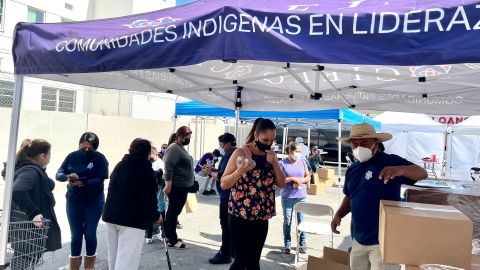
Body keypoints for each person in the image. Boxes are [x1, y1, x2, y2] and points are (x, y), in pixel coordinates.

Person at [330, 123, 427, 270]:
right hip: (358, 238)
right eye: (354, 144)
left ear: (375, 143)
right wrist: (339, 214)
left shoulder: (389, 161)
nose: (358, 148)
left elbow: (422, 173)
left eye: (364, 143)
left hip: (383, 241)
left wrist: (400, 170)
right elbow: (350, 196)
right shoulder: (352, 169)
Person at [221, 118, 286, 270]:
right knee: (241, 260)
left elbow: (281, 183)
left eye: (272, 140)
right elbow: (224, 183)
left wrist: (275, 163)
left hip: (261, 215)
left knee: (254, 261)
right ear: (256, 135)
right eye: (265, 140)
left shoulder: (271, 155)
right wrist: (240, 171)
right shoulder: (241, 152)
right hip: (240, 215)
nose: (268, 143)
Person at [103, 138, 161, 270]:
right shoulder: (146, 170)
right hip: (132, 221)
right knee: (126, 262)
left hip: (111, 216)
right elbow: (151, 198)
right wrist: (156, 216)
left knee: (114, 258)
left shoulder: (120, 165)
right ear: (147, 153)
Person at [56, 132, 109, 270]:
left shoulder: (100, 158)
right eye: (82, 147)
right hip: (74, 201)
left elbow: (100, 179)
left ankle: (89, 267)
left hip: (94, 201)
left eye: (89, 148)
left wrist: (83, 183)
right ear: (79, 145)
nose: (85, 150)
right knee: (76, 235)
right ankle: (74, 266)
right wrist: (68, 176)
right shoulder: (72, 156)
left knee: (90, 233)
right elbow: (59, 174)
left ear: (95, 148)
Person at [11, 139, 61, 269]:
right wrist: (34, 212)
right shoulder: (30, 171)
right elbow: (18, 190)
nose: (50, 158)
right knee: (24, 262)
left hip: (25, 228)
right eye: (49, 155)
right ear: (42, 156)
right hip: (32, 229)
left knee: (21, 262)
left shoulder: (26, 168)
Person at [164, 126, 194, 249]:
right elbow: (169, 167)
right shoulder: (174, 148)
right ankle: (171, 239)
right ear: (181, 137)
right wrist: (168, 185)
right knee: (173, 212)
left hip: (182, 186)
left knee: (174, 212)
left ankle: (170, 235)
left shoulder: (180, 148)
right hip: (176, 186)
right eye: (188, 138)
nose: (189, 140)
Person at [209, 133, 237, 264]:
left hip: (227, 196)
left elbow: (222, 175)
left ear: (228, 144)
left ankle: (224, 253)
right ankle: (232, 250)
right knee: (231, 226)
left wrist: (210, 172)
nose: (220, 148)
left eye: (221, 145)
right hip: (231, 196)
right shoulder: (235, 154)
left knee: (225, 225)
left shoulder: (229, 155)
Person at [280, 142, 311, 254]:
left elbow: (308, 177)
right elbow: (279, 180)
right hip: (287, 196)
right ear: (290, 152)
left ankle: (302, 243)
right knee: (287, 221)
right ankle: (287, 244)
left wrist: (300, 181)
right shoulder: (282, 163)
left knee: (301, 220)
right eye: (297, 151)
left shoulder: (302, 162)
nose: (299, 153)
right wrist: (292, 178)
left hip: (301, 196)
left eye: (300, 151)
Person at [145, 146, 166, 244]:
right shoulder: (149, 163)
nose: (149, 156)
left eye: (151, 154)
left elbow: (162, 178)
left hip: (158, 191)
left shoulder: (160, 164)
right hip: (150, 191)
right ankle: (149, 235)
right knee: (149, 214)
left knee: (161, 213)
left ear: (156, 154)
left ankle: (163, 234)